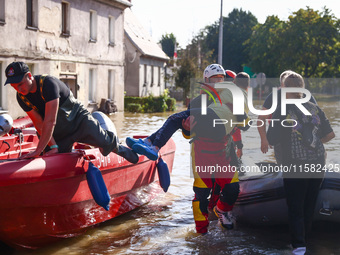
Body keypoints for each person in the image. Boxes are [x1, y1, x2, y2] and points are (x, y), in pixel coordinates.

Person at [127, 66, 250, 234]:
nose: (219, 81)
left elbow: (241, 126)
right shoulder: (198, 102)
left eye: (221, 78)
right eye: (215, 78)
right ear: (206, 81)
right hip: (201, 154)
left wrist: (240, 142)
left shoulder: (229, 97)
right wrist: (186, 129)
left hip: (224, 152)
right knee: (201, 195)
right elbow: (187, 134)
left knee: (231, 189)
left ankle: (220, 212)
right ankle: (201, 234)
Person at [4, 61, 138, 163]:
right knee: (51, 159)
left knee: (105, 142)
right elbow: (39, 124)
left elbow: (50, 120)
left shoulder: (48, 84)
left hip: (78, 120)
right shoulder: (21, 97)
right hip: (58, 133)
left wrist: (38, 150)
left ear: (29, 76)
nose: (18, 89)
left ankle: (126, 152)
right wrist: (54, 146)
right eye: (13, 86)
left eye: (20, 84)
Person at [266, 72, 335, 255]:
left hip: (295, 164)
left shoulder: (281, 109)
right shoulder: (314, 107)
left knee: (295, 206)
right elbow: (329, 135)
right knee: (309, 205)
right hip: (317, 163)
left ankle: (298, 247)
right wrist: (312, 142)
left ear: (285, 89)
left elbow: (271, 138)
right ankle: (307, 242)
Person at [257, 70, 317, 164]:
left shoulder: (307, 96)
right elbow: (261, 118)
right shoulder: (274, 96)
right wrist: (264, 139)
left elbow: (317, 119)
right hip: (282, 140)